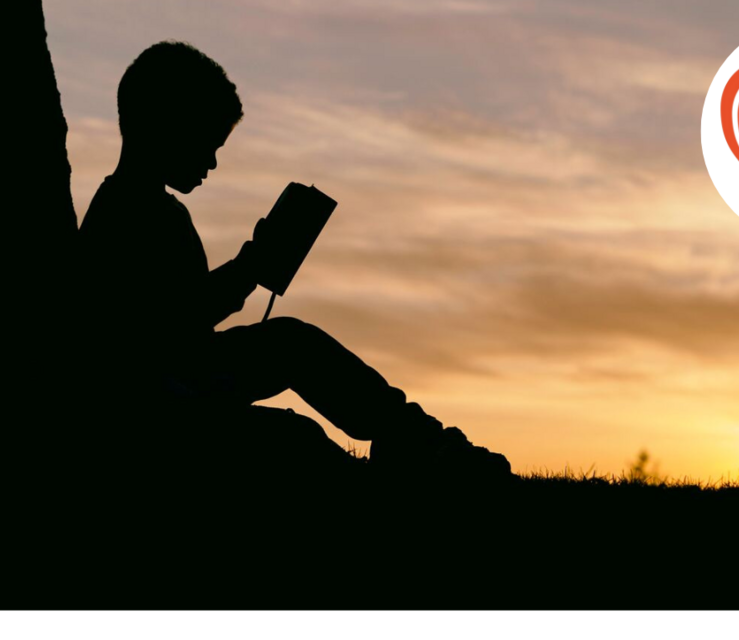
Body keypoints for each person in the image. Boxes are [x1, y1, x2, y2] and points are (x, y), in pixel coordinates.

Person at [74, 40, 510, 477]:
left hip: (184, 377)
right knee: (295, 435)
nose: (211, 162)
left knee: (291, 341)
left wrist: (252, 264)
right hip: (156, 404)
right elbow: (164, 329)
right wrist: (250, 267)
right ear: (166, 125)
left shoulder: (155, 208)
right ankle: (419, 456)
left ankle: (418, 440)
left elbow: (186, 313)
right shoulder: (124, 213)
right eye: (206, 143)